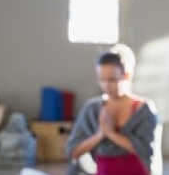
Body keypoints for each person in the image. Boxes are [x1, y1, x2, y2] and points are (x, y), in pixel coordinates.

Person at [66, 44, 160, 175]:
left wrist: (112, 134)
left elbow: (146, 150)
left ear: (126, 76)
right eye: (101, 80)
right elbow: (73, 151)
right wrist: (100, 135)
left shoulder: (143, 109)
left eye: (112, 80)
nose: (106, 86)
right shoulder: (92, 109)